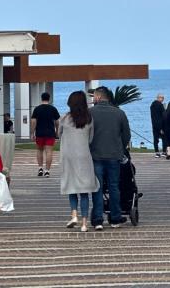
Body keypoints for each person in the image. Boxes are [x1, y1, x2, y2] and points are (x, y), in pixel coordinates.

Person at [89, 87, 130, 230]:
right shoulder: (119, 113)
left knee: (97, 188)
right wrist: (120, 148)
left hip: (95, 156)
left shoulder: (90, 113)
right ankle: (115, 218)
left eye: (94, 96)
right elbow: (126, 136)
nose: (93, 99)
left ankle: (98, 219)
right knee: (114, 187)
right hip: (114, 156)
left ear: (99, 97)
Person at [58, 90, 99, 233]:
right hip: (84, 156)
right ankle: (84, 224)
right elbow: (91, 139)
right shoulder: (89, 119)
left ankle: (74, 214)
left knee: (72, 186)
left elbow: (59, 134)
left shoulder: (64, 119)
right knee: (84, 191)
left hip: (68, 156)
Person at [30, 92, 61, 177]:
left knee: (39, 150)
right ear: (49, 99)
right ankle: (47, 171)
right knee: (49, 152)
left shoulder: (37, 109)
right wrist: (57, 131)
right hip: (50, 133)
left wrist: (32, 133)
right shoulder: (53, 109)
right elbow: (57, 121)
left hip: (39, 133)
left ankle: (40, 168)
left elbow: (33, 121)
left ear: (41, 98)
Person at [149, 94, 166, 158]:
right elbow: (163, 116)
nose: (163, 99)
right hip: (161, 125)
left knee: (155, 139)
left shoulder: (152, 105)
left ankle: (157, 152)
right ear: (159, 98)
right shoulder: (160, 105)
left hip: (154, 124)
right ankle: (164, 152)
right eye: (162, 98)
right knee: (164, 138)